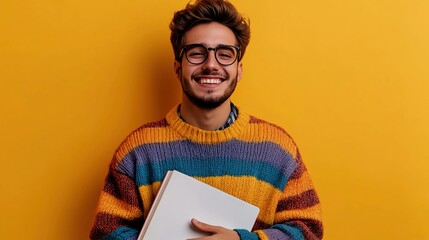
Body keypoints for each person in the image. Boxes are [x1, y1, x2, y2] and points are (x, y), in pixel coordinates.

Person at [90, 0, 323, 239]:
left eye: (224, 54)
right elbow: (106, 233)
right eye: (196, 54)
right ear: (178, 68)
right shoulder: (137, 153)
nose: (211, 64)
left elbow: (308, 231)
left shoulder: (278, 150)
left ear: (239, 69)